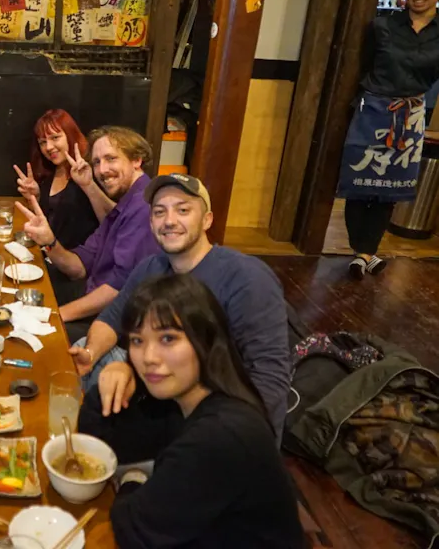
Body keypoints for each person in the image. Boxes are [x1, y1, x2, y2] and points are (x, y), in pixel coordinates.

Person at [71, 173, 290, 449]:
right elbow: (110, 320)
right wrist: (93, 356)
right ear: (151, 223)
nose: (170, 221)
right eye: (160, 212)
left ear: (207, 220)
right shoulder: (151, 267)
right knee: (90, 415)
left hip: (226, 424)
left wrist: (237, 442)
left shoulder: (247, 278)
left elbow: (269, 377)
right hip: (166, 400)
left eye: (183, 210)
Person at [109, 275, 304, 548]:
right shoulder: (194, 402)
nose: (149, 357)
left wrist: (131, 481)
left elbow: (133, 529)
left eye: (167, 338)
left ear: (207, 339)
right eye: (137, 340)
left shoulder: (221, 434)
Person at [337, 0, 439, 279]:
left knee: (388, 188)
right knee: (360, 183)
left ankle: (365, 253)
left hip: (410, 114)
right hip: (374, 108)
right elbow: (363, 67)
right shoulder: (382, 27)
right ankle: (361, 251)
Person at [16, 126, 158, 344]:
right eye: (97, 162)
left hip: (114, 321)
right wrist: (49, 241)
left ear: (136, 160)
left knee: (27, 335)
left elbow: (117, 289)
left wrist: (56, 315)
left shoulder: (143, 207)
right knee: (20, 290)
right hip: (91, 290)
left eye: (111, 159)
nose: (102, 170)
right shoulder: (125, 202)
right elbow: (79, 266)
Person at [13, 110, 103, 303]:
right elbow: (52, 221)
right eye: (43, 142)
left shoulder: (87, 173)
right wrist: (35, 196)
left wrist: (88, 185)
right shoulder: (53, 172)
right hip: (51, 261)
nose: (49, 147)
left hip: (75, 273)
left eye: (55, 138)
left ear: (70, 135)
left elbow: (110, 220)